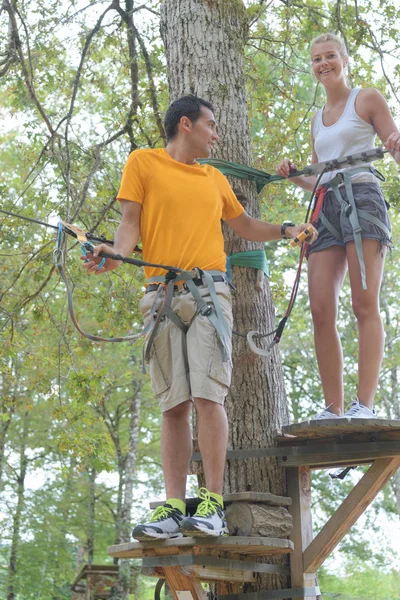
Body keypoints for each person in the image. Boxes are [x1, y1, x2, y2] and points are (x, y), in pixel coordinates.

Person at [83, 95, 315, 540]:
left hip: (209, 293)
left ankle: (211, 503)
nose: (217, 133)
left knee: (209, 396)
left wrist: (287, 229)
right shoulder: (144, 163)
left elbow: (245, 226)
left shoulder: (214, 177)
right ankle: (173, 508)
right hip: (161, 294)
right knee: (173, 405)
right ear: (186, 125)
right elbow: (129, 226)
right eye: (212, 124)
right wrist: (112, 257)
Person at [277, 33, 400, 421]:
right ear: (312, 67)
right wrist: (296, 176)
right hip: (325, 207)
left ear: (345, 60)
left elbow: (392, 148)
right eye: (316, 59)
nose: (323, 63)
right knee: (319, 308)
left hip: (362, 198)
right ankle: (332, 408)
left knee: (363, 304)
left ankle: (364, 404)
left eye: (330, 56)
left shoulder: (366, 99)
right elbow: (320, 179)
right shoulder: (317, 120)